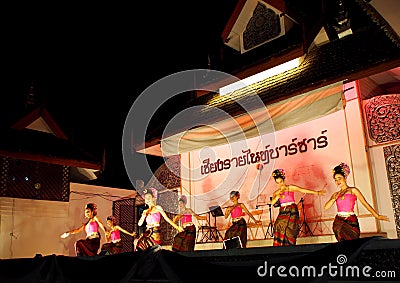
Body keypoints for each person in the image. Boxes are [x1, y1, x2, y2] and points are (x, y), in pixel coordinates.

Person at [324, 162, 389, 241]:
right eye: (335, 180)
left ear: (345, 177)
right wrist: (333, 199)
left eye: (339, 178)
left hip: (351, 220)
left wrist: (377, 216)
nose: (337, 181)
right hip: (339, 222)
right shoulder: (336, 194)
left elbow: (365, 204)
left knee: (353, 243)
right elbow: (326, 207)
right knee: (342, 244)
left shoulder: (353, 190)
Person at [270, 168, 326, 246]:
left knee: (290, 228)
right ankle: (280, 246)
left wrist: (317, 192)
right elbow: (272, 203)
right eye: (278, 183)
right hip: (283, 211)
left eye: (281, 182)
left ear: (284, 180)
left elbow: (302, 190)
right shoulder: (276, 192)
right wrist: (277, 197)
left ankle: (290, 245)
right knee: (278, 225)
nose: (280, 184)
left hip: (292, 210)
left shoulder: (291, 187)